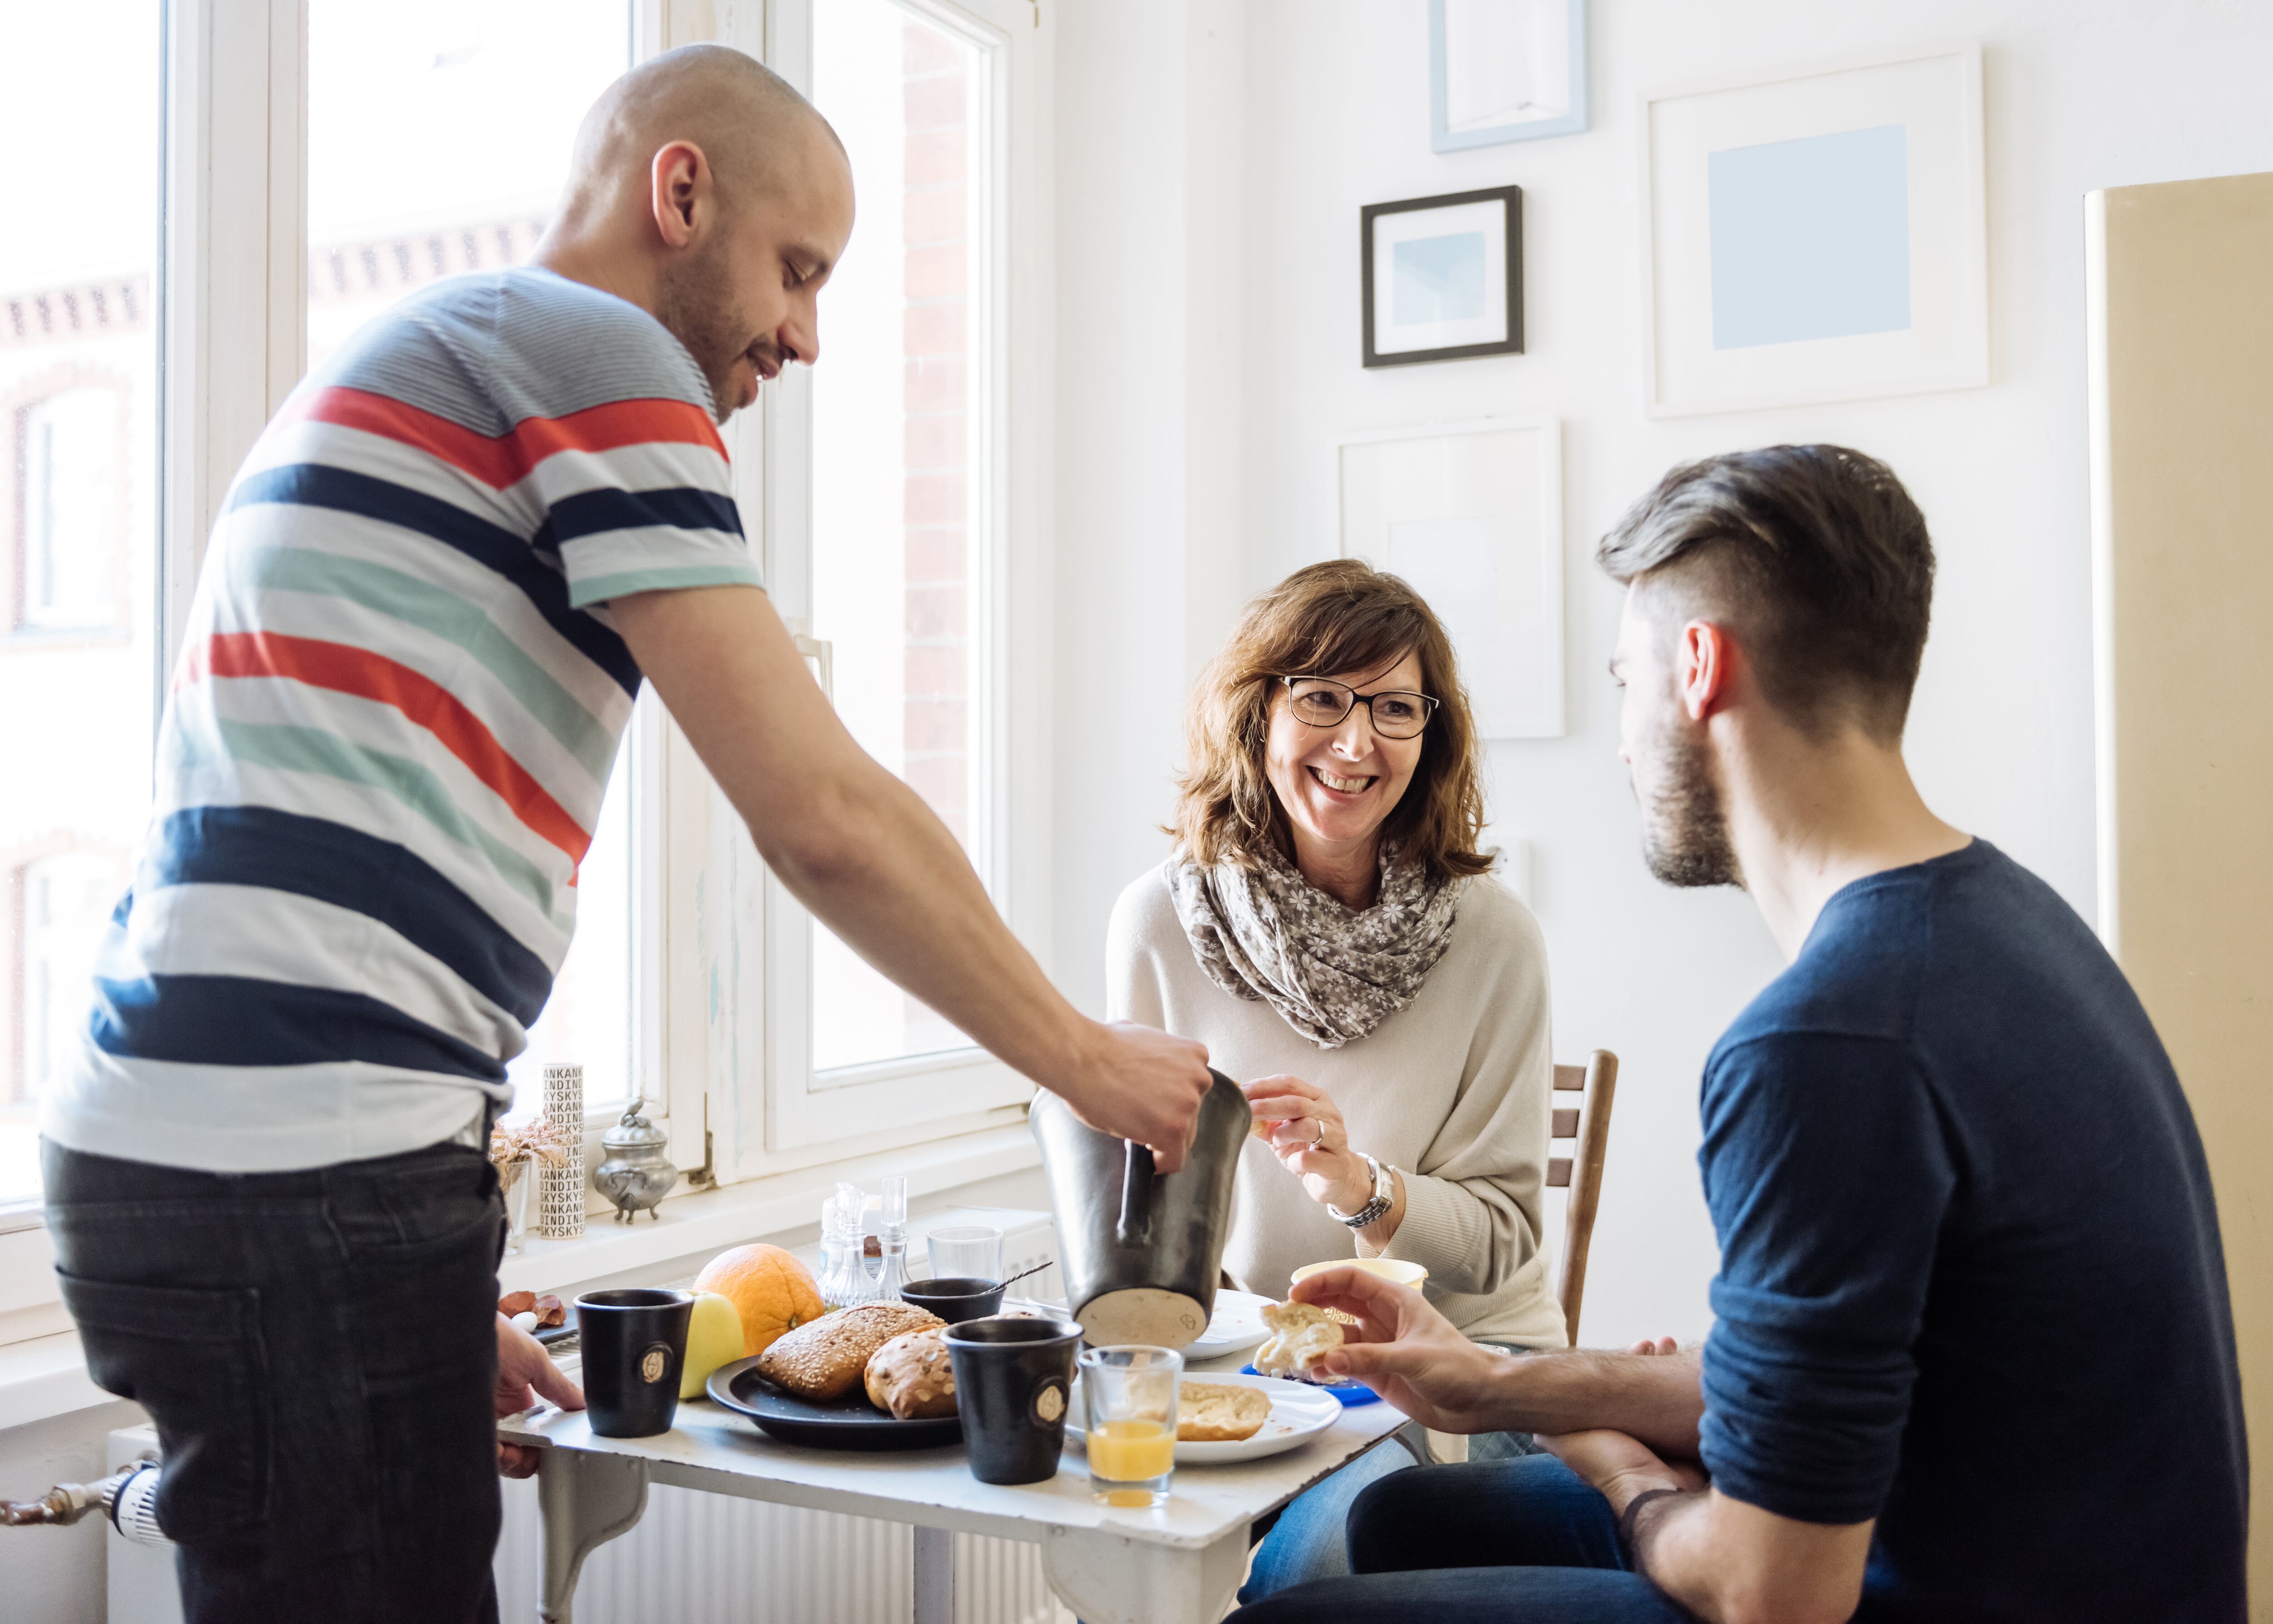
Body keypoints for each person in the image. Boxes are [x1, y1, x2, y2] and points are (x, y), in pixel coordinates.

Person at [40, 46, 1211, 1623]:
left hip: (211, 1156)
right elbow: (825, 818)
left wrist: (424, 1294)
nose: (806, 334)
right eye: (798, 270)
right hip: (302, 1170)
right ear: (680, 193)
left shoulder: (443, 356)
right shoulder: (591, 353)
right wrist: (1086, 1059)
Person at [1227, 445, 2250, 1624]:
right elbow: (1825, 1379)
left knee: (1292, 1617)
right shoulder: (2009, 924)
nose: (1621, 737)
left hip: (1906, 1588)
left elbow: (1772, 1594)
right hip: (2029, 1550)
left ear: (1701, 668)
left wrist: (1625, 1475)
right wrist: (1503, 1382)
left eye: (1625, 679)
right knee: (1399, 1521)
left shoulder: (1826, 1042)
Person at [1108, 560, 1565, 1598]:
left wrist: (1362, 1186)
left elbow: (1500, 1244)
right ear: (1256, 711)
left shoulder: (1495, 938)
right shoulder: (1157, 924)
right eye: (1322, 697)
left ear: (1430, 736)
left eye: (1396, 708)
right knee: (1112, 1535)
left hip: (1467, 1374)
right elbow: (1142, 1209)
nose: (1358, 743)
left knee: (1319, 1571)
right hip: (1256, 1378)